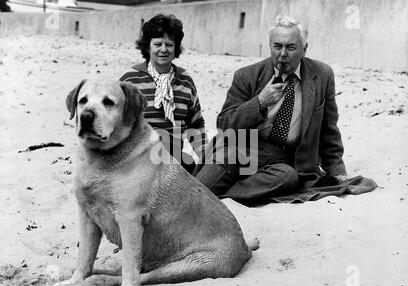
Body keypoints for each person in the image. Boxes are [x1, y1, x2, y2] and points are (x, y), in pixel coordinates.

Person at [194, 15, 347, 205]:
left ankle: (226, 196)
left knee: (288, 177)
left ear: (304, 49)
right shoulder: (247, 76)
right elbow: (224, 123)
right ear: (270, 46)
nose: (282, 54)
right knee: (197, 191)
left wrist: (337, 171)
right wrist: (259, 103)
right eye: (277, 46)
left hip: (284, 162)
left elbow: (329, 130)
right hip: (241, 148)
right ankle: (211, 193)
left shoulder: (322, 75)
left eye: (290, 47)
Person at [119, 14, 207, 174]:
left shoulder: (185, 81)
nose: (164, 49)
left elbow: (196, 125)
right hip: (137, 161)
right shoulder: (129, 80)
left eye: (169, 44)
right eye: (158, 44)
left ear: (176, 48)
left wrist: (206, 161)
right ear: (147, 47)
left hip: (174, 159)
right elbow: (116, 124)